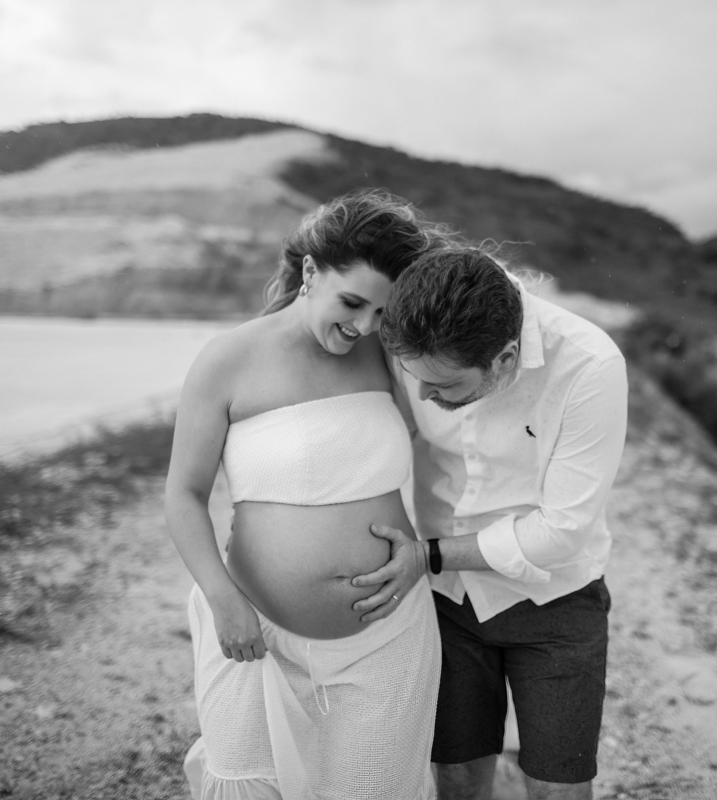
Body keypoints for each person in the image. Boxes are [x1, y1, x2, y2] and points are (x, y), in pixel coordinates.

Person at [164, 190, 444, 800]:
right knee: (247, 785)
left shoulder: (389, 356)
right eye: (352, 303)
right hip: (252, 631)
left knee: (372, 788)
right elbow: (184, 495)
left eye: (380, 312)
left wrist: (424, 552)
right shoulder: (228, 360)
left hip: (388, 634)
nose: (364, 326)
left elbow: (439, 441)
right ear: (311, 272)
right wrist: (223, 600)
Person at [352, 248, 629, 800]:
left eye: (445, 386)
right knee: (456, 780)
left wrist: (426, 555)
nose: (424, 396)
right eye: (415, 377)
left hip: (558, 604)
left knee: (558, 788)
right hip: (447, 604)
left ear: (504, 359)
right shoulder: (420, 334)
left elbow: (562, 530)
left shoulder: (590, 365)